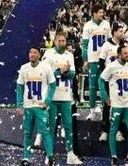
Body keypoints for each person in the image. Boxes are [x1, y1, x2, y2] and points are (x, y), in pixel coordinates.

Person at [43, 30, 82, 165]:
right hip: (52, 97)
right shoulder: (48, 54)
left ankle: (70, 154)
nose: (61, 43)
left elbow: (72, 75)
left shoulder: (69, 55)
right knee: (51, 127)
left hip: (66, 96)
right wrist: (61, 71)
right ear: (55, 41)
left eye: (63, 41)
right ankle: (49, 154)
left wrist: (64, 73)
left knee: (68, 127)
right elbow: (45, 75)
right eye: (59, 41)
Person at [16, 45, 56, 166]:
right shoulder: (24, 68)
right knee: (27, 132)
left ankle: (50, 157)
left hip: (40, 106)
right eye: (30, 52)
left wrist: (47, 101)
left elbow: (53, 85)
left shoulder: (46, 68)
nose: (32, 54)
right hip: (28, 106)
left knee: (45, 132)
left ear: (39, 54)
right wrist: (19, 104)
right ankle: (26, 158)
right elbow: (19, 87)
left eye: (35, 52)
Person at [100, 42, 128, 166]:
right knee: (113, 129)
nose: (127, 55)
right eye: (125, 53)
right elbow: (101, 79)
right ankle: (114, 156)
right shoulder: (111, 66)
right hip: (116, 104)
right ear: (119, 54)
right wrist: (105, 96)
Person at [82, 5, 112, 112]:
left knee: (105, 84)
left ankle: (106, 109)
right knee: (92, 86)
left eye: (102, 12)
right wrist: (85, 59)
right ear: (94, 13)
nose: (102, 14)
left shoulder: (106, 24)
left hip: (104, 59)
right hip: (93, 59)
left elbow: (109, 41)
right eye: (99, 12)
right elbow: (85, 44)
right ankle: (92, 110)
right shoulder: (87, 25)